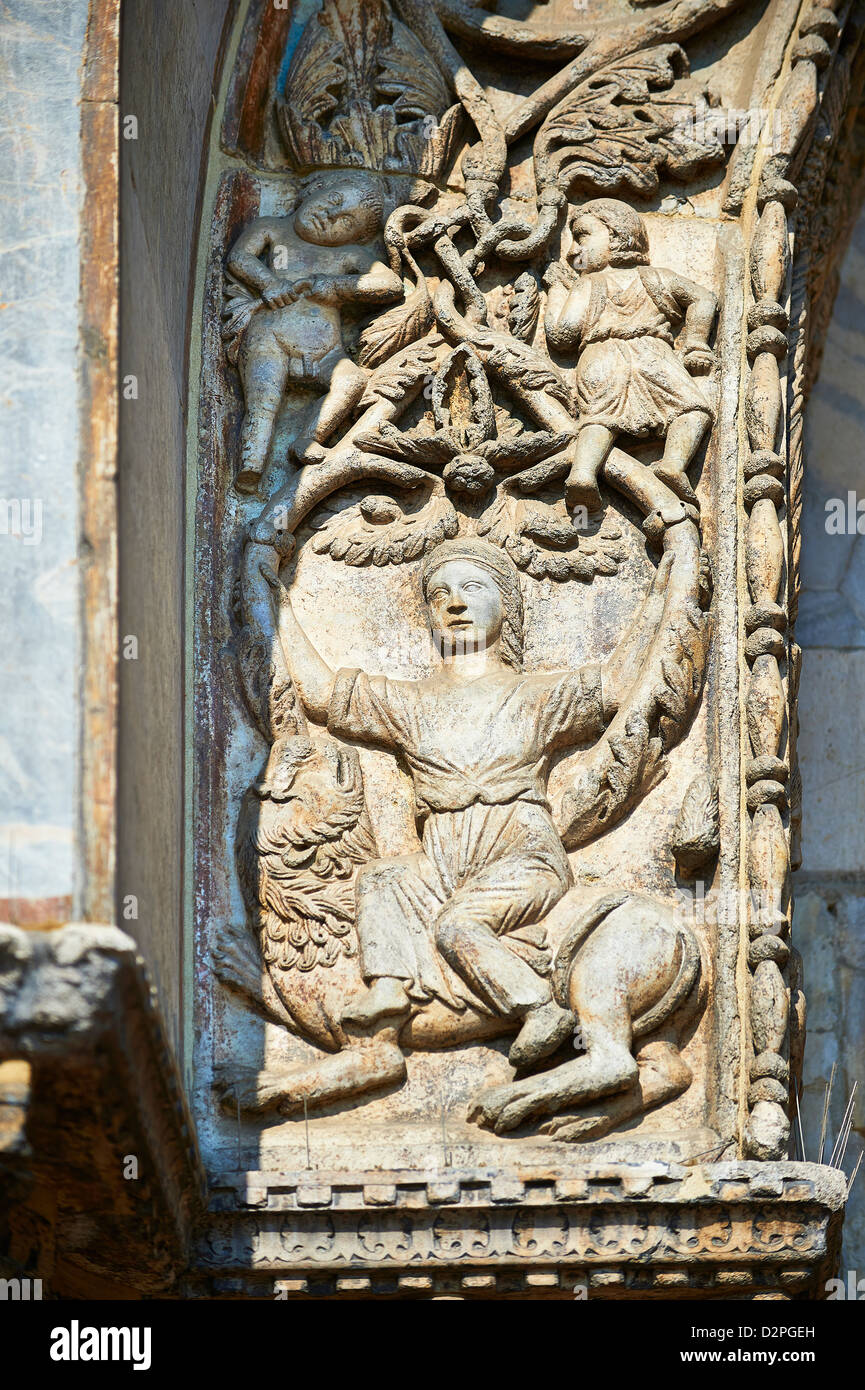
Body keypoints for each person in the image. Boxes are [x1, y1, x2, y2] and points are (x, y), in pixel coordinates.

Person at [265, 534, 675, 1069]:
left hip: (520, 854)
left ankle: (538, 1008)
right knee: (381, 878)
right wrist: (276, 595)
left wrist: (666, 591)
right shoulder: (408, 703)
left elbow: (618, 684)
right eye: (439, 594)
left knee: (460, 925)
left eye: (473, 588)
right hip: (441, 860)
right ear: (429, 616)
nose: (455, 603)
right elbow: (320, 694)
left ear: (506, 603)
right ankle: (388, 988)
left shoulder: (538, 695)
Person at [223, 172, 402, 493]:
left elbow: (389, 283)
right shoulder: (272, 228)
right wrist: (269, 283)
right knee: (265, 400)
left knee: (352, 381)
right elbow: (240, 257)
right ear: (316, 189)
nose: (331, 216)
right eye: (333, 202)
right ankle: (253, 462)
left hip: (326, 352)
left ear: (357, 238)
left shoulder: (347, 256)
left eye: (347, 223)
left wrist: (338, 285)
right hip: (271, 337)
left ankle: (309, 438)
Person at [545, 198, 717, 514]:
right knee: (694, 409)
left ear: (616, 235)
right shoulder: (657, 277)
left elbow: (562, 334)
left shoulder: (588, 284)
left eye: (582, 237)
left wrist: (556, 290)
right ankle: (674, 464)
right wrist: (695, 341)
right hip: (652, 354)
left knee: (599, 417)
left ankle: (583, 473)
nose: (572, 251)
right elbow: (704, 298)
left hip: (601, 355)